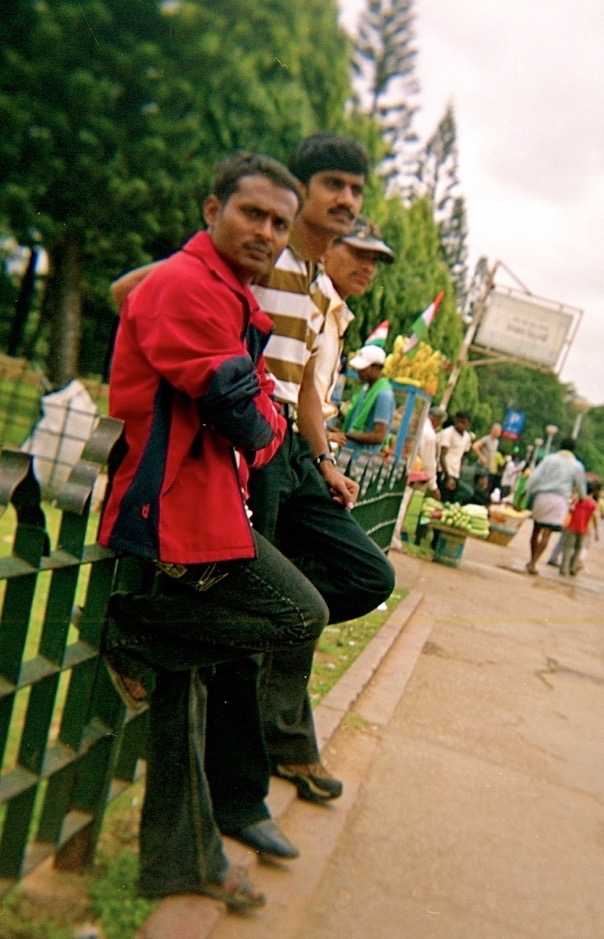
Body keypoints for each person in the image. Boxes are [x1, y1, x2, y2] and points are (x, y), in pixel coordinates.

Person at [99, 151, 329, 910]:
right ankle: (136, 632)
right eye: (251, 213)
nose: (265, 231)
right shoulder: (191, 288)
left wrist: (259, 412)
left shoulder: (226, 291)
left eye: (278, 223)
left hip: (207, 502)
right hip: (175, 506)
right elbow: (245, 410)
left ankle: (178, 859)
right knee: (301, 612)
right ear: (211, 211)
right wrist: (264, 422)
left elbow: (251, 395)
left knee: (184, 697)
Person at [246, 135, 395, 806]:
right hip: (256, 443)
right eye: (333, 186)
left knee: (360, 578)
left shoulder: (315, 292)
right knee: (288, 598)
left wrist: (327, 457)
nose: (346, 202)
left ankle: (278, 721)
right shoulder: (269, 260)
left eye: (356, 190)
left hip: (299, 451)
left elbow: (307, 384)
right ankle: (282, 742)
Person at [320, 216, 396, 443]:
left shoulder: (336, 317)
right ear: (326, 249)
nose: (368, 269)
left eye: (374, 261)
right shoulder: (312, 308)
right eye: (359, 254)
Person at [523, 437, 586, 575]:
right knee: (547, 534)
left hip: (542, 496)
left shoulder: (549, 459)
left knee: (536, 530)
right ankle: (533, 563)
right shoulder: (577, 466)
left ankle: (531, 559)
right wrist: (582, 498)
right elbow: (581, 487)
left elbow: (535, 477)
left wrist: (525, 491)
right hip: (560, 500)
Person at [339, 344, 395, 452]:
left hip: (363, 460)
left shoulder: (384, 395)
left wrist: (347, 435)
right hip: (349, 454)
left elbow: (379, 436)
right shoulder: (364, 390)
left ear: (376, 367)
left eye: (363, 368)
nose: (359, 371)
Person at [559, 480, 601, 576]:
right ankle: (573, 567)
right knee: (578, 549)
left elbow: (570, 509)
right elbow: (594, 518)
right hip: (583, 529)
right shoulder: (593, 504)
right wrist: (597, 532)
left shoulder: (577, 500)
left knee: (568, 548)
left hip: (571, 526)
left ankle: (564, 568)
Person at [437, 410, 473, 503]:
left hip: (456, 472)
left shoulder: (467, 437)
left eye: (463, 422)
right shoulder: (448, 433)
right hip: (445, 472)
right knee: (443, 500)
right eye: (458, 421)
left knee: (454, 499)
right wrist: (448, 477)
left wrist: (459, 471)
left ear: (468, 424)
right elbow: (442, 456)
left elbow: (463, 455)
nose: (460, 424)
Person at [471, 423, 503, 492]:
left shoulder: (496, 442)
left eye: (498, 431)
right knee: (478, 485)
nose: (496, 432)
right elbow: (475, 446)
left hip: (488, 467)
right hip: (481, 466)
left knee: (485, 487)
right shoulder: (486, 439)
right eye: (495, 430)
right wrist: (481, 456)